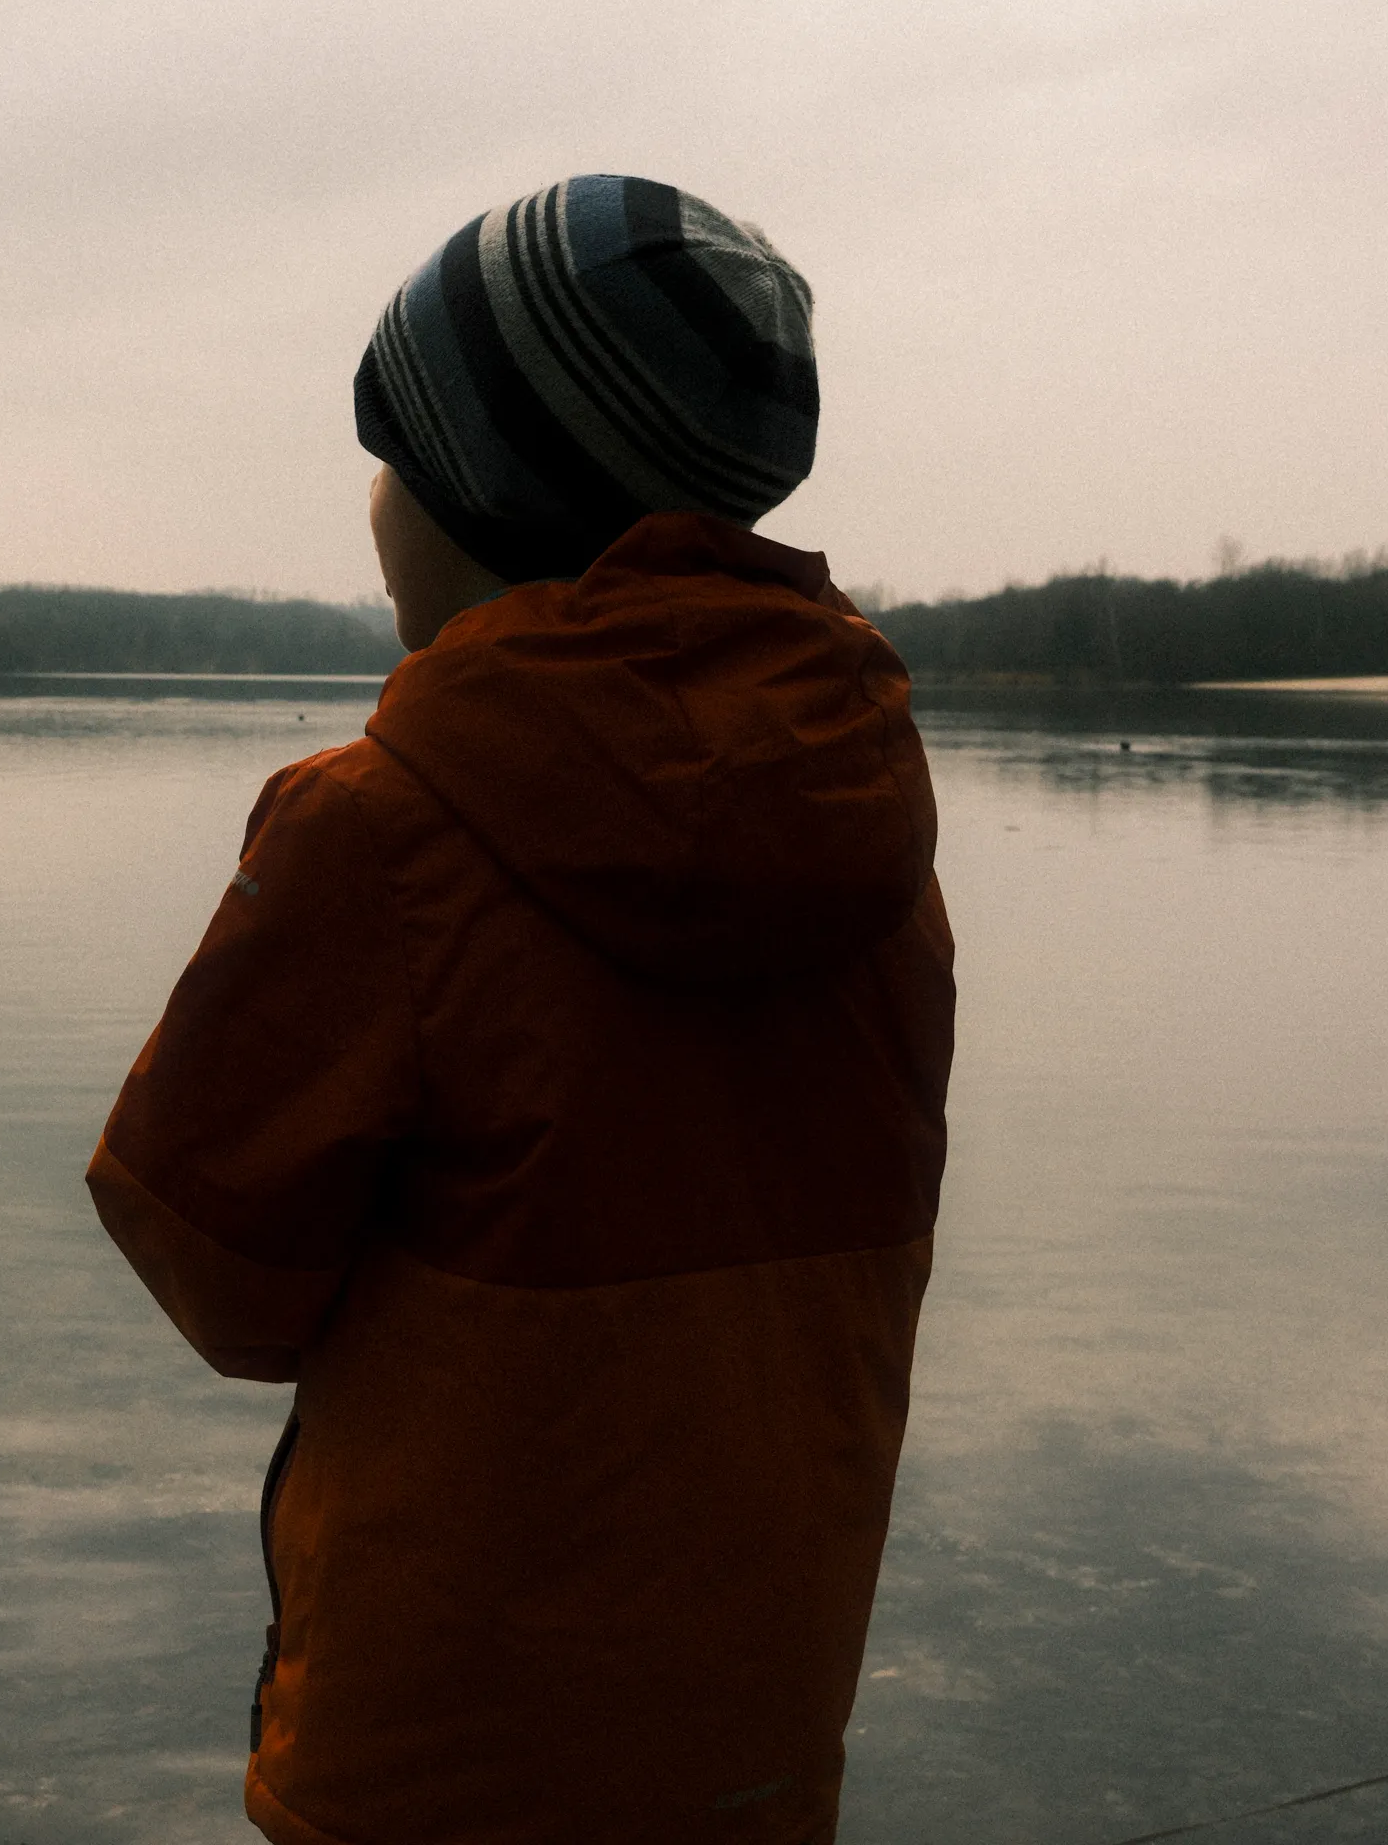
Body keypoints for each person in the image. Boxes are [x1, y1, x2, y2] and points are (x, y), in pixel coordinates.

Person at [84, 175, 955, 1845]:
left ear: (479, 495)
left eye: (391, 457)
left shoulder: (381, 830)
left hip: (437, 1767)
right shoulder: (871, 834)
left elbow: (218, 1277)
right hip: (755, 1746)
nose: (372, 505)